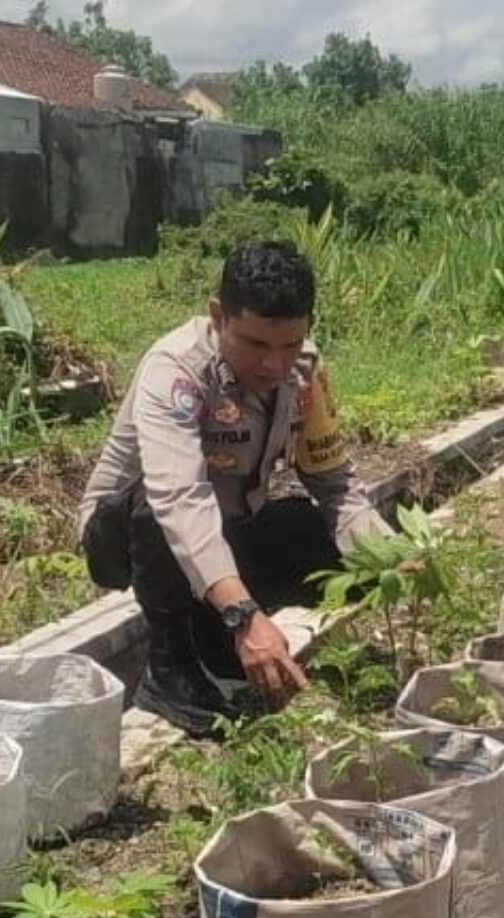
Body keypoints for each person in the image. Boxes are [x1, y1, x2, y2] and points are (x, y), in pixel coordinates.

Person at [78, 240, 389, 735]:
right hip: (132, 537)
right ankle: (169, 666)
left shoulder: (304, 371)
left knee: (326, 539)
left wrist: (393, 558)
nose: (274, 365)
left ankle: (218, 634)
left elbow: (334, 482)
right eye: (256, 344)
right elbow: (180, 499)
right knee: (153, 505)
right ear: (219, 316)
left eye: (290, 344)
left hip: (230, 527)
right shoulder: (176, 370)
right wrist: (243, 615)